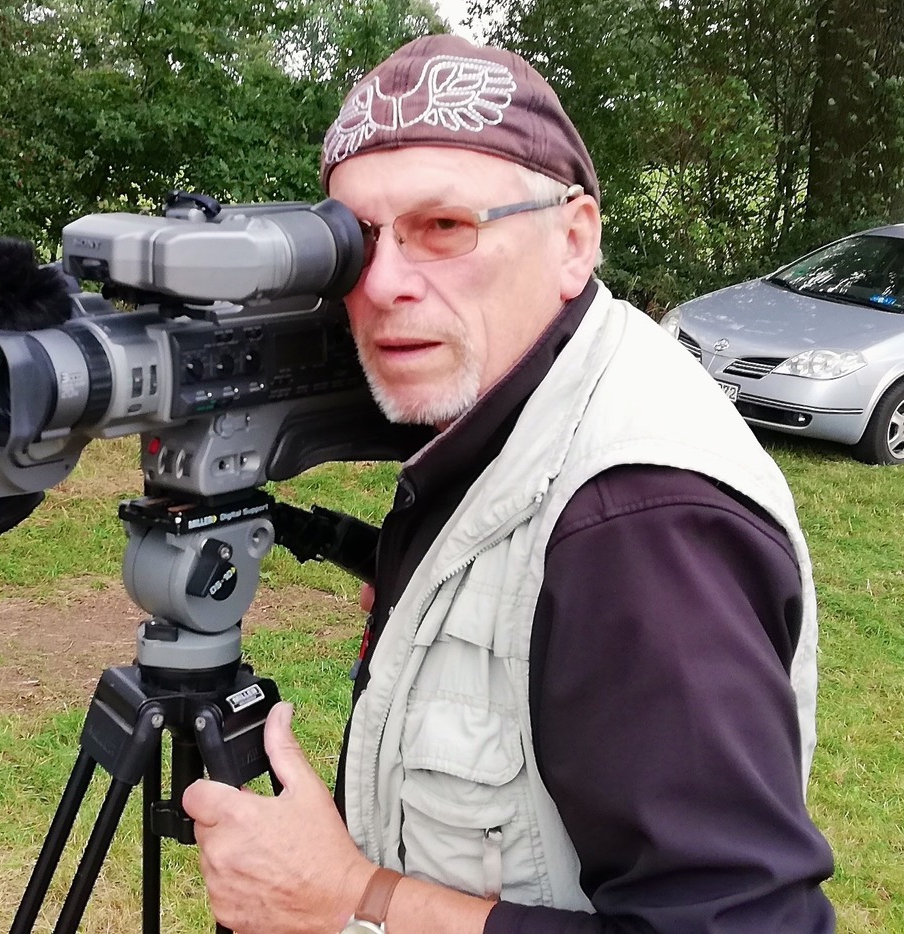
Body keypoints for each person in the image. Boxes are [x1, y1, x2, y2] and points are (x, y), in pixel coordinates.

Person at [181, 33, 836, 933]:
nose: (384, 285)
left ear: (574, 238)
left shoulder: (637, 524)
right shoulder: (515, 396)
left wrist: (350, 899)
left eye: (445, 228)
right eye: (355, 243)